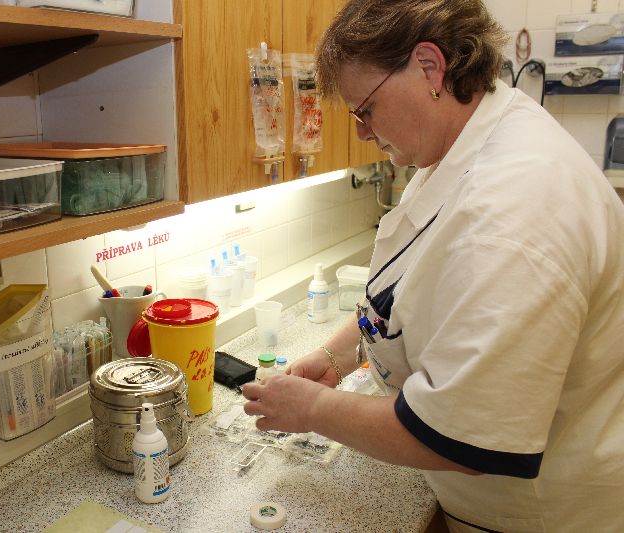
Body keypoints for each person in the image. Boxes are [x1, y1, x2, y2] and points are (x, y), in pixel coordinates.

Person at [241, 1, 624, 531]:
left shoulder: (515, 207)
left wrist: (312, 410)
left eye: (365, 109)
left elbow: (460, 436)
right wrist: (336, 357)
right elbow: (411, 291)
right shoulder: (464, 145)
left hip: (542, 513)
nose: (362, 132)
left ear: (429, 66)